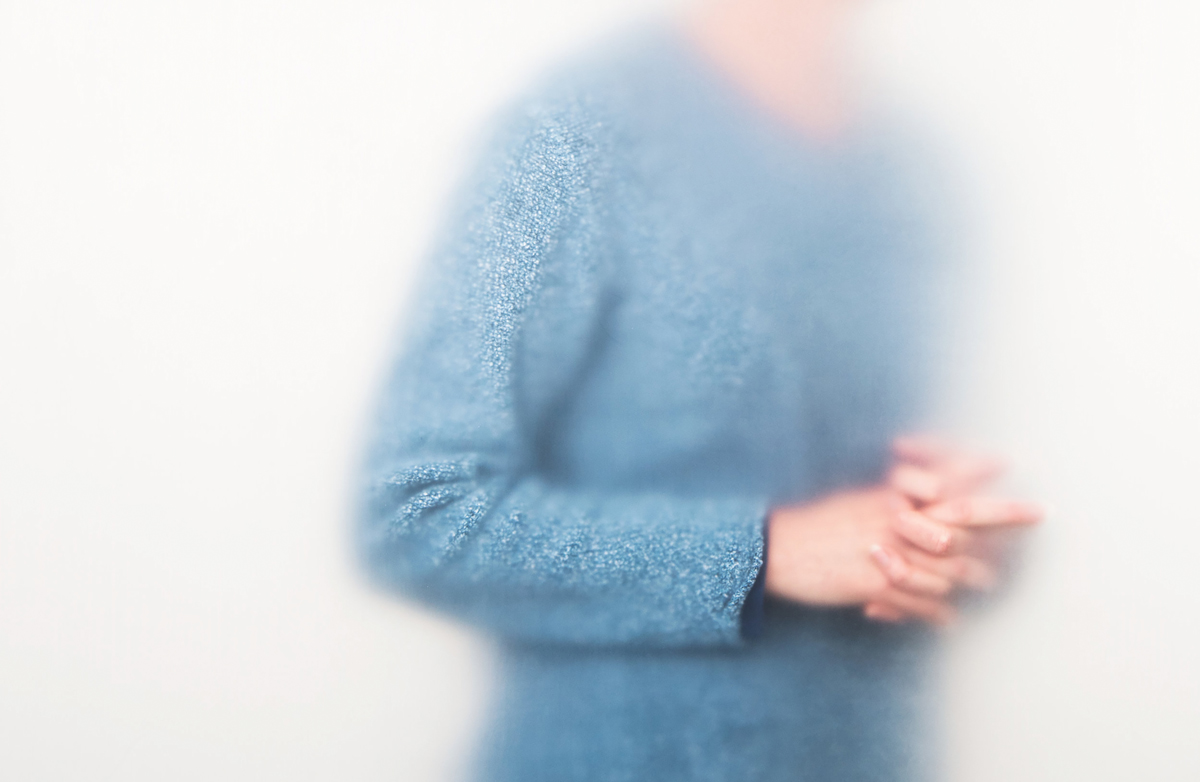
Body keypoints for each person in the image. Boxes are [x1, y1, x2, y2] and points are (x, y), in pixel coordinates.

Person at [356, 1, 1042, 779]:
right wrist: (764, 553)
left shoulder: (914, 169)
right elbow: (415, 511)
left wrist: (959, 541)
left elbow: (891, 507)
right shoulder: (576, 137)